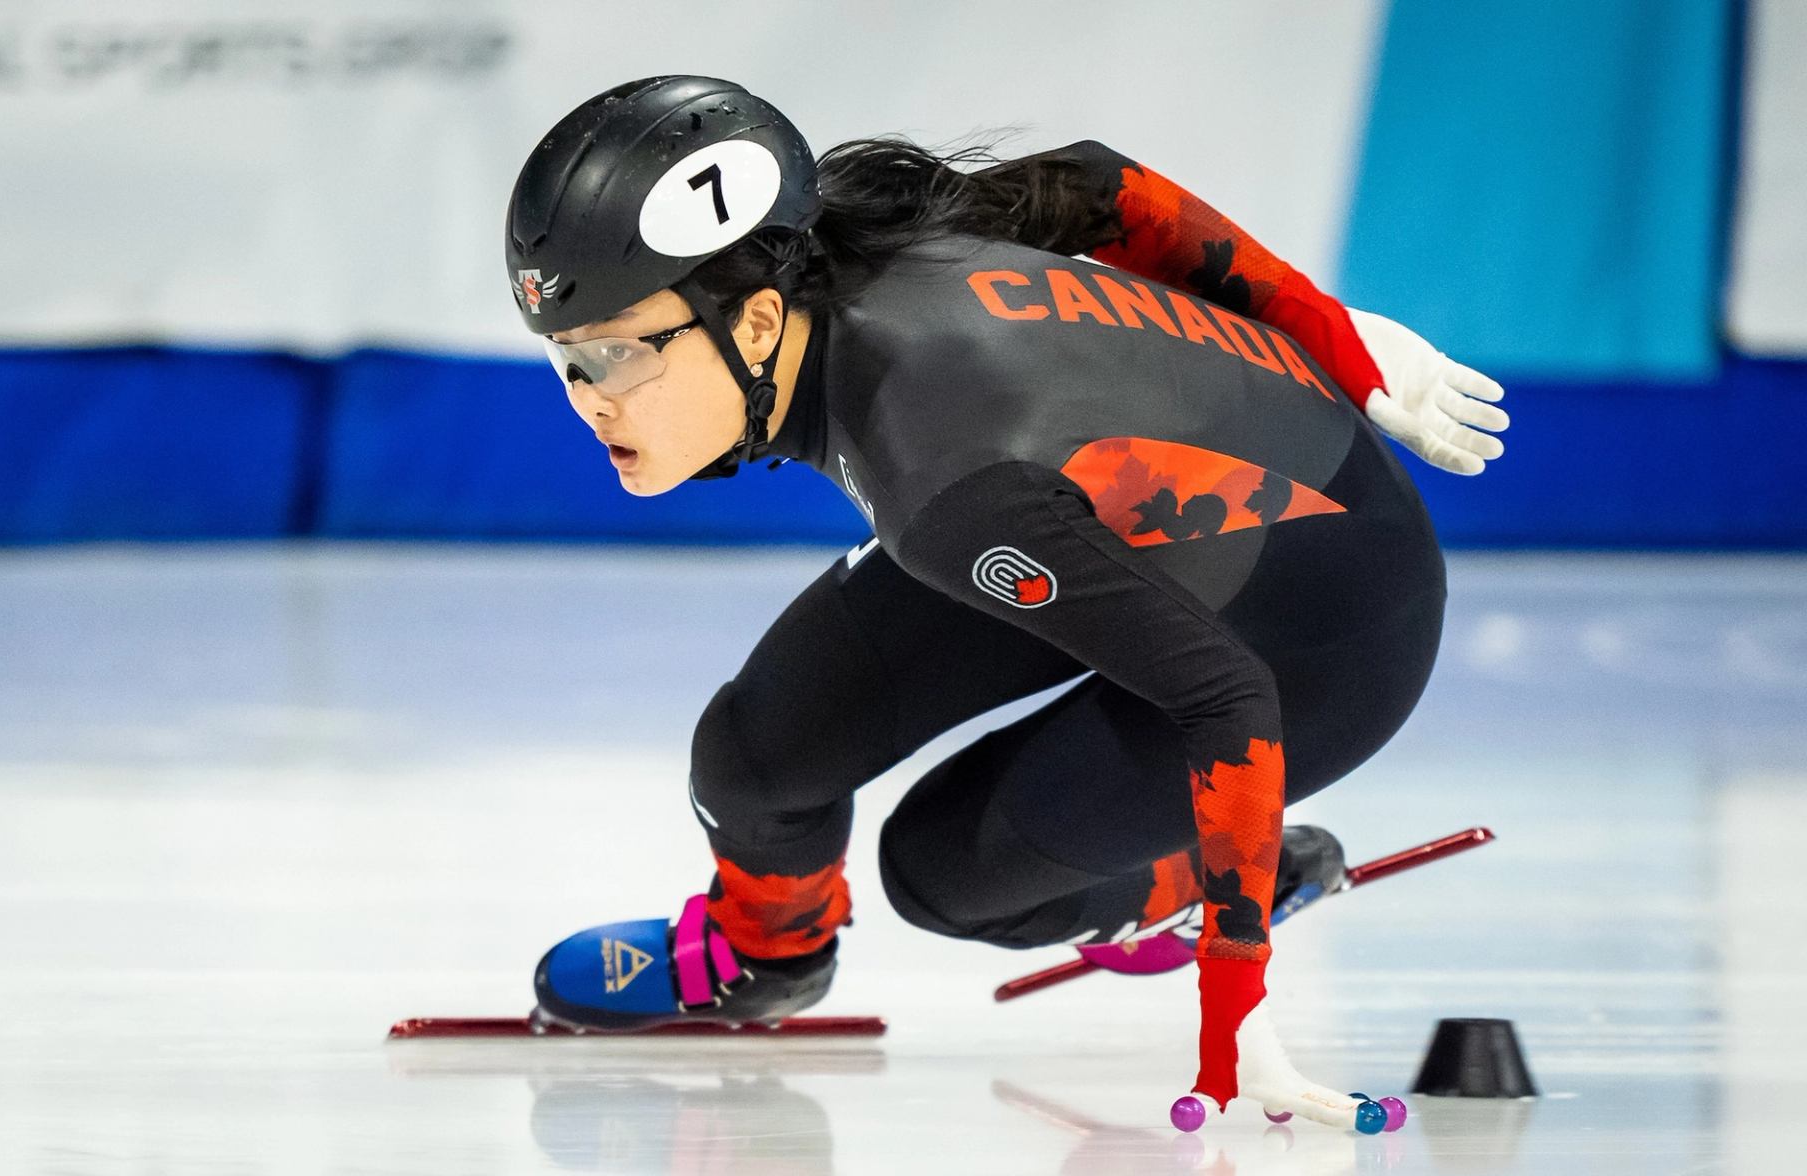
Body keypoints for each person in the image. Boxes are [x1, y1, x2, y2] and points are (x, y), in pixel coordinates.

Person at [504, 76, 1508, 1130]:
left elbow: (1229, 703)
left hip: (1325, 634)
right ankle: (765, 959)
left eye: (612, 354)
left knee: (945, 875)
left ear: (756, 321)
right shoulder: (837, 252)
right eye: (565, 360)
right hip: (1118, 503)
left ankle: (1187, 879)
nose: (590, 400)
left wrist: (1234, 991)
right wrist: (1326, 327)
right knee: (758, 756)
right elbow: (1102, 187)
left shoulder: (944, 486)